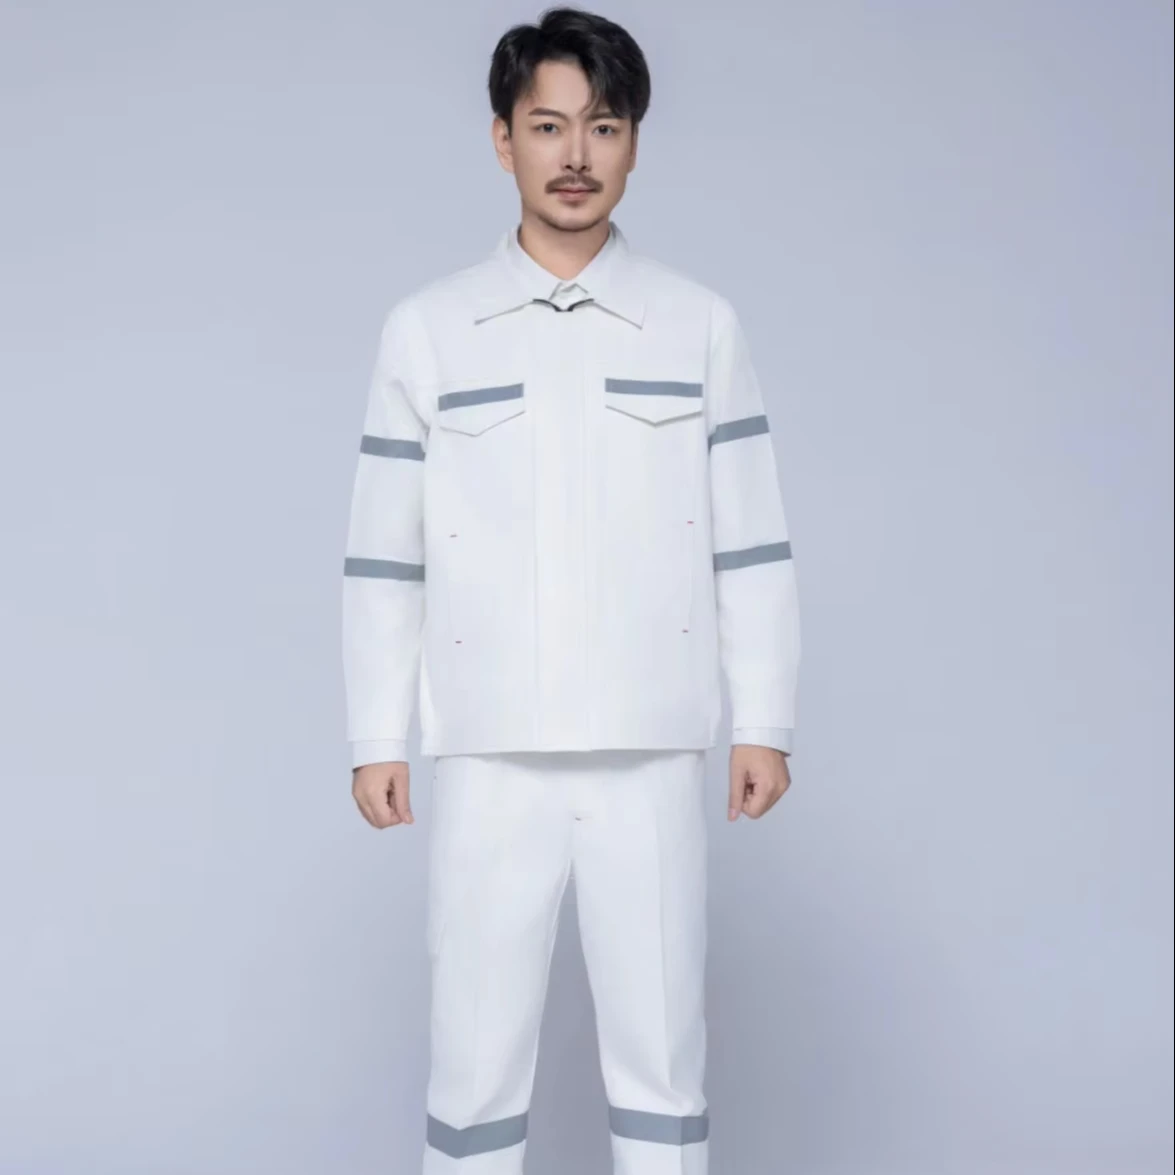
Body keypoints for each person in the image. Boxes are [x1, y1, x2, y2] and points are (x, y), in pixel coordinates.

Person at [341, 8, 801, 1172]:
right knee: (472, 1065)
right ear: (502, 140)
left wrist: (763, 719)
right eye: (546, 126)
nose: (575, 154)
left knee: (661, 1062)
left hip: (648, 750)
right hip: (488, 749)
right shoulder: (428, 329)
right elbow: (385, 554)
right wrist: (373, 733)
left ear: (634, 141)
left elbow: (749, 541)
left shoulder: (697, 324)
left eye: (602, 125)